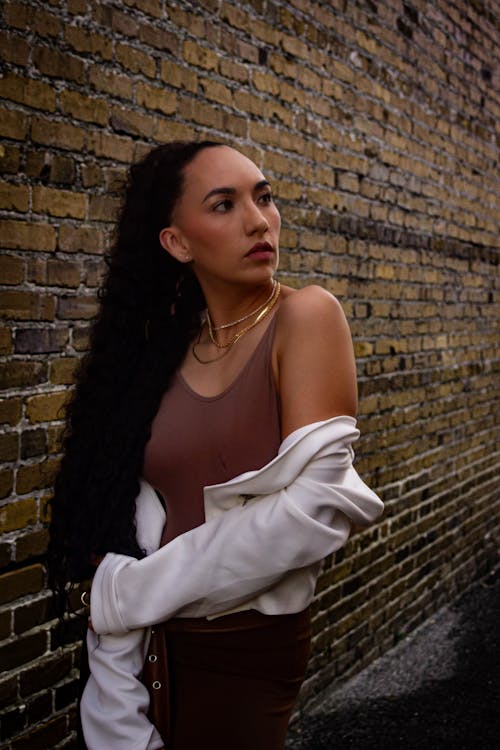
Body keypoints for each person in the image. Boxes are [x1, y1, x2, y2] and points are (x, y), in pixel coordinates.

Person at [48, 140, 383, 750]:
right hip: (136, 648)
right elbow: (130, 523)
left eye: (264, 196)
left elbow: (316, 510)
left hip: (243, 650)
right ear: (177, 243)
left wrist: (132, 595)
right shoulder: (162, 348)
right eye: (224, 204)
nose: (259, 220)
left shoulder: (306, 316)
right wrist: (120, 638)